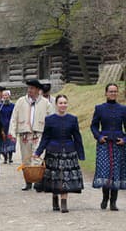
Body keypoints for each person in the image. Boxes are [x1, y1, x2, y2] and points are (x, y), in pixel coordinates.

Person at [34, 95, 85, 213]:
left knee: (64, 178)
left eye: (65, 103)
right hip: (53, 151)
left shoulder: (73, 119)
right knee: (54, 178)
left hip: (68, 152)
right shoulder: (50, 119)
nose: (63, 105)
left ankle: (64, 203)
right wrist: (38, 152)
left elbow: (77, 137)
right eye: (61, 103)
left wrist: (80, 153)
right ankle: (54, 197)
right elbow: (45, 137)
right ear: (56, 105)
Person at [9, 79, 53, 191]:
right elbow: (14, 117)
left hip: (39, 134)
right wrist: (12, 133)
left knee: (37, 158)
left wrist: (52, 134)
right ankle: (28, 181)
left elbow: (52, 119)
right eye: (29, 88)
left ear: (38, 90)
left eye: (32, 88)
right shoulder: (20, 101)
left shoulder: (45, 103)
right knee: (26, 159)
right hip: (25, 135)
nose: (30, 90)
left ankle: (38, 182)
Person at [90, 83, 126, 211]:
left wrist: (124, 139)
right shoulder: (99, 108)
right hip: (104, 144)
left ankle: (113, 202)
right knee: (105, 170)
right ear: (106, 93)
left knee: (115, 171)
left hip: (118, 145)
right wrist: (99, 137)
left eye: (115, 91)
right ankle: (105, 197)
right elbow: (93, 126)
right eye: (110, 91)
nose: (113, 93)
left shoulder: (123, 109)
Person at [0, 90, 16, 164]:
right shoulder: (0, 106)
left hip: (10, 126)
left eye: (6, 95)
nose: (5, 97)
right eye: (4, 96)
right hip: (2, 126)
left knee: (10, 141)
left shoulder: (13, 106)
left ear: (9, 96)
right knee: (3, 142)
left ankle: (10, 157)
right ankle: (5, 157)